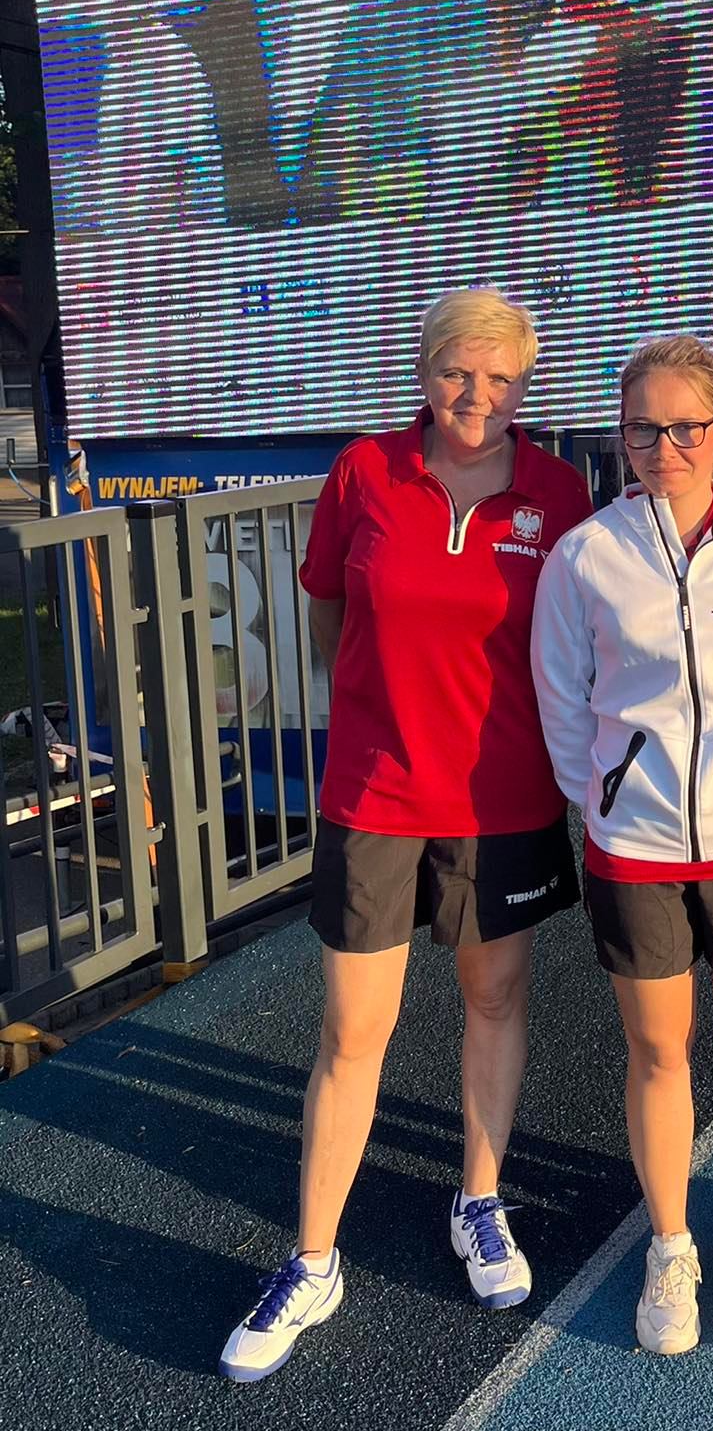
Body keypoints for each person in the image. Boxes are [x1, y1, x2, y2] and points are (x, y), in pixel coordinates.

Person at [219, 289, 593, 1382]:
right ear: (424, 370)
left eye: (502, 377)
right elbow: (330, 608)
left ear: (525, 385)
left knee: (494, 999)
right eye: (457, 371)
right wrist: (375, 706)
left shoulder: (559, 491)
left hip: (505, 798)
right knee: (353, 1030)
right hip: (375, 794)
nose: (478, 395)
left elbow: (573, 638)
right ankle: (313, 1258)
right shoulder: (365, 471)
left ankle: (478, 1198)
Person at [531, 334, 713, 1356]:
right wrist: (607, 798)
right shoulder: (585, 555)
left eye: (685, 427)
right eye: (642, 429)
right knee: (659, 1053)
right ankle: (669, 1245)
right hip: (638, 849)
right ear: (621, 437)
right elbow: (561, 697)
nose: (665, 448)